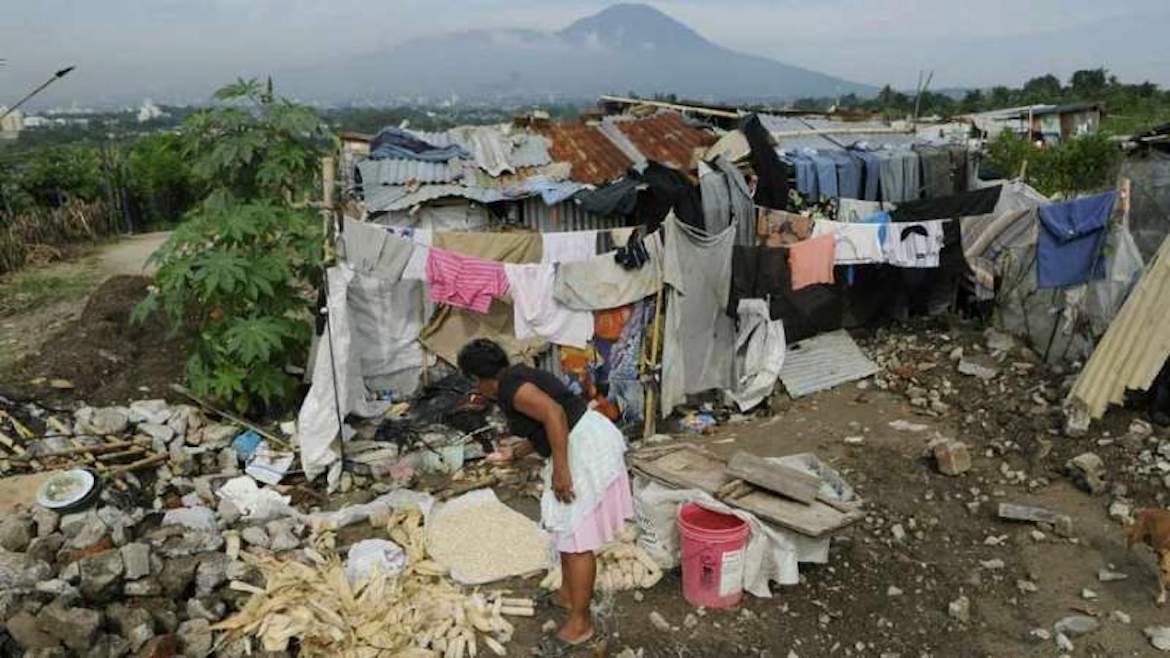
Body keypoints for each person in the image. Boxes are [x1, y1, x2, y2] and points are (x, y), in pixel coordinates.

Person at [457, 338, 633, 651]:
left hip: (585, 446)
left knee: (578, 539)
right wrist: (516, 453)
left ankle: (580, 624)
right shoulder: (514, 379)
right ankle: (567, 594)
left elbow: (555, 415)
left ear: (479, 378)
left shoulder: (513, 388)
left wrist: (562, 471)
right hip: (580, 438)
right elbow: (545, 425)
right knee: (567, 529)